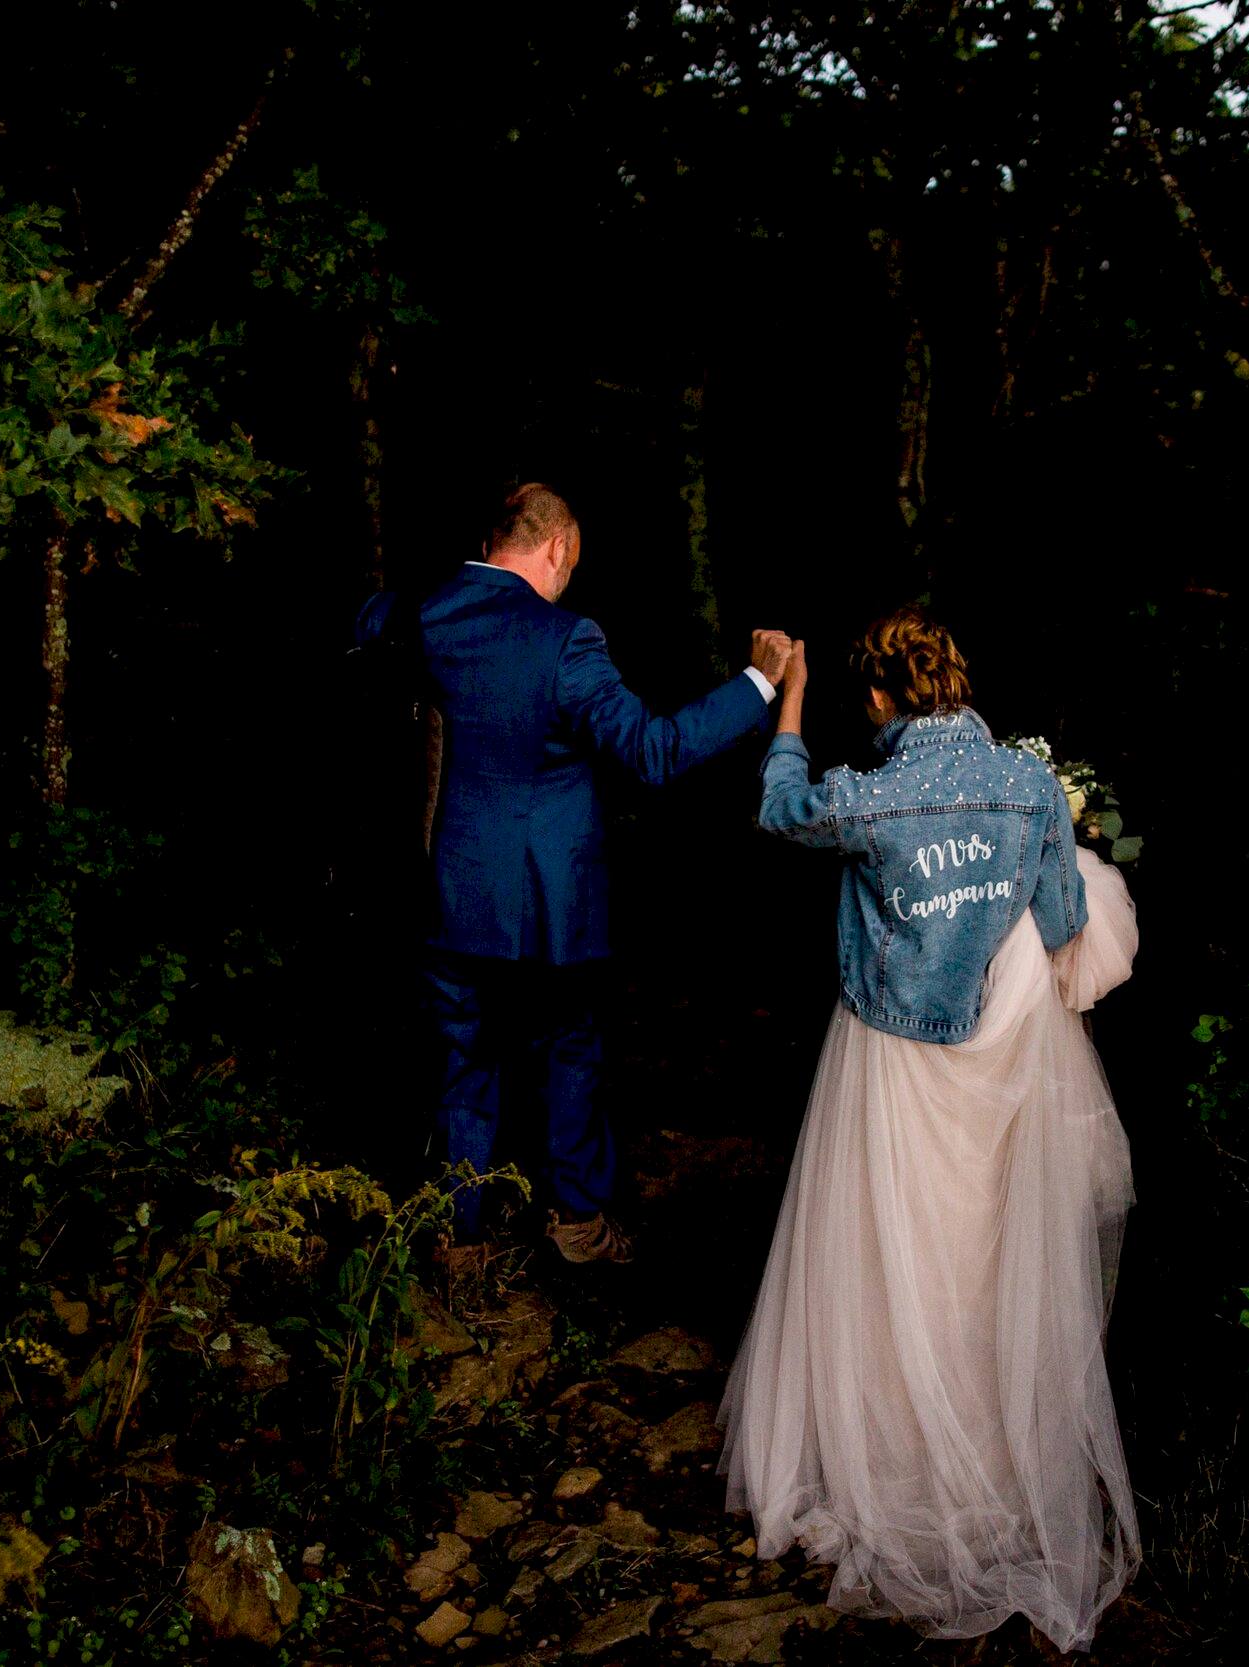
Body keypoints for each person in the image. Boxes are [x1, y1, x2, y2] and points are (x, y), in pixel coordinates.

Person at [717, 606, 1141, 1652]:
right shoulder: (1028, 783)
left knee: (890, 1254)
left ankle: (894, 1447)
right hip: (1000, 1062)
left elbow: (779, 809)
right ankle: (986, 1456)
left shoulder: (869, 794)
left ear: (879, 698)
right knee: (983, 1257)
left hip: (896, 1055)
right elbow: (1057, 925)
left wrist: (789, 701)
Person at [355, 483, 792, 1264]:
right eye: (570, 566)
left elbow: (366, 629)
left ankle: (460, 1240)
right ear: (555, 548)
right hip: (549, 906)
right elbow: (653, 750)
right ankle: (578, 1229)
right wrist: (756, 684)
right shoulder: (566, 641)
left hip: (448, 894)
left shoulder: (415, 614)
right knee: (569, 1055)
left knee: (463, 1061)